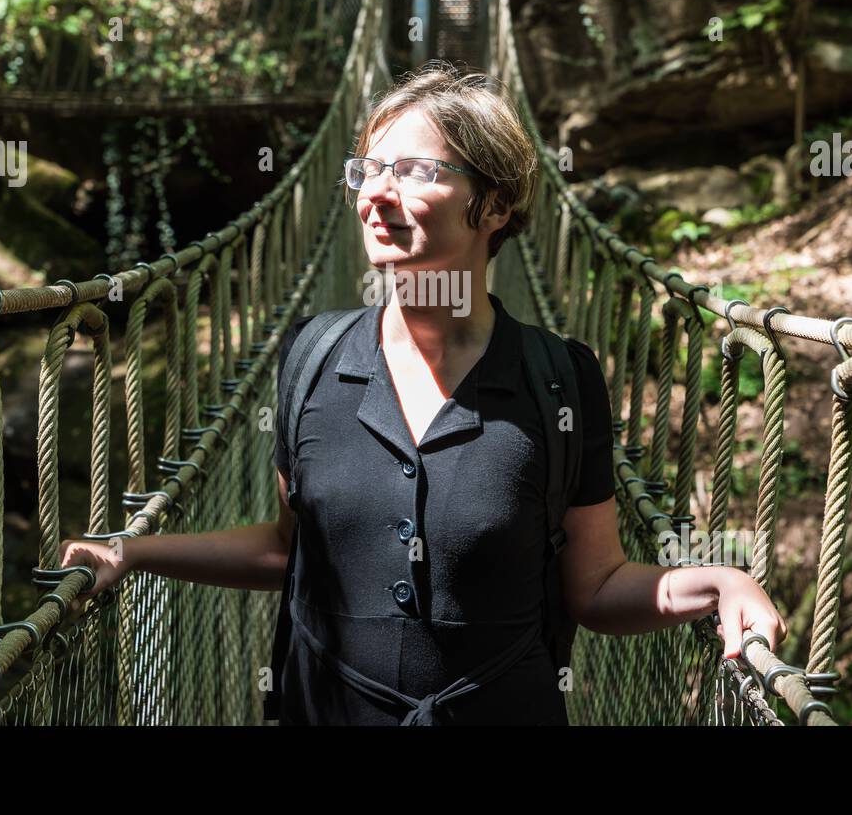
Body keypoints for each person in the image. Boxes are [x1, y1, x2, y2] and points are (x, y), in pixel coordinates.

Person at [61, 62, 786, 725]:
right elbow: (290, 546)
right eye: (368, 169)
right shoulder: (311, 356)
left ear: (495, 205)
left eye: (412, 170)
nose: (376, 191)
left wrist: (714, 582)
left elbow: (594, 586)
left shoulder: (561, 379)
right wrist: (135, 553)